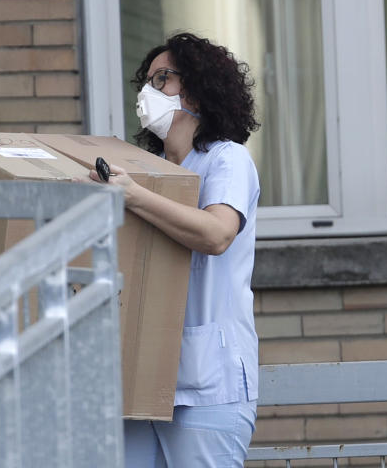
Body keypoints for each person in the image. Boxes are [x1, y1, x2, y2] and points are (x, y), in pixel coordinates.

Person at [90, 32, 261, 468]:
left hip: (209, 385)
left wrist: (131, 196)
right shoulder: (149, 173)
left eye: (163, 78)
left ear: (199, 92)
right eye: (147, 82)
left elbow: (217, 234)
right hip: (139, 375)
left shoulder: (227, 159)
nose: (149, 92)